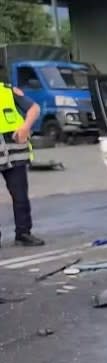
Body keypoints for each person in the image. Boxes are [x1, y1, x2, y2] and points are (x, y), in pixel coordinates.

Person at [0, 82, 44, 247]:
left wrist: (26, 127)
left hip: (14, 153)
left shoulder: (7, 91)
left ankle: (23, 233)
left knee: (20, 197)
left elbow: (34, 108)